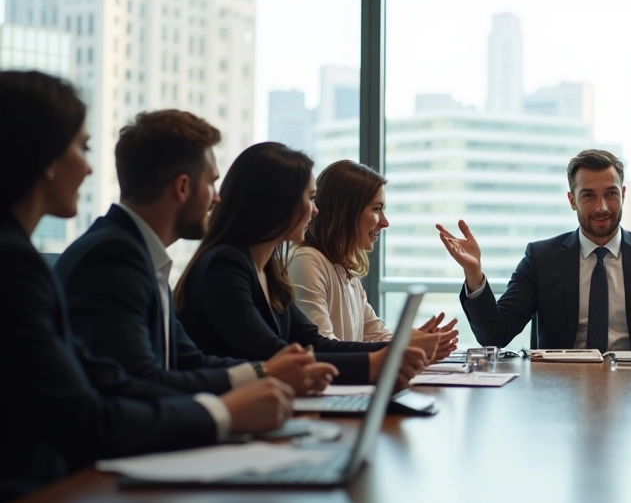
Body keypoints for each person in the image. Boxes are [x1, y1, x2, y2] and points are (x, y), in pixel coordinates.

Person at [0, 71, 290, 503]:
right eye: (81, 147)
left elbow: (109, 379)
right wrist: (224, 412)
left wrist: (251, 384)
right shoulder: (91, 257)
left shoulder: (122, 252)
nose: (90, 166)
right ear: (46, 158)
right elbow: (90, 413)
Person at [55, 110, 337, 396]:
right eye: (212, 182)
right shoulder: (113, 257)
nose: (217, 198)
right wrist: (251, 387)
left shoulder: (138, 253)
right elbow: (141, 382)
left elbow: (187, 362)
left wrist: (262, 373)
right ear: (183, 186)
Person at [175, 143, 450, 387]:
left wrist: (396, 350)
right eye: (310, 199)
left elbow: (314, 344)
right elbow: (275, 356)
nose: (316, 210)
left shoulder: (269, 269)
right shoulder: (225, 266)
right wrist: (381, 360)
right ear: (278, 204)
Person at [437, 149, 631, 352]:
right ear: (571, 200)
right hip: (560, 391)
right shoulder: (540, 259)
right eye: (588, 196)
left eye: (611, 194)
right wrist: (474, 274)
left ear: (623, 195)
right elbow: (495, 335)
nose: (602, 207)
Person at [287, 159, 457, 356]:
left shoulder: (344, 268)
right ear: (346, 211)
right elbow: (322, 347)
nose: (385, 222)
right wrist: (404, 345)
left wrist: (417, 340)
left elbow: (374, 335)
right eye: (376, 209)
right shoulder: (308, 261)